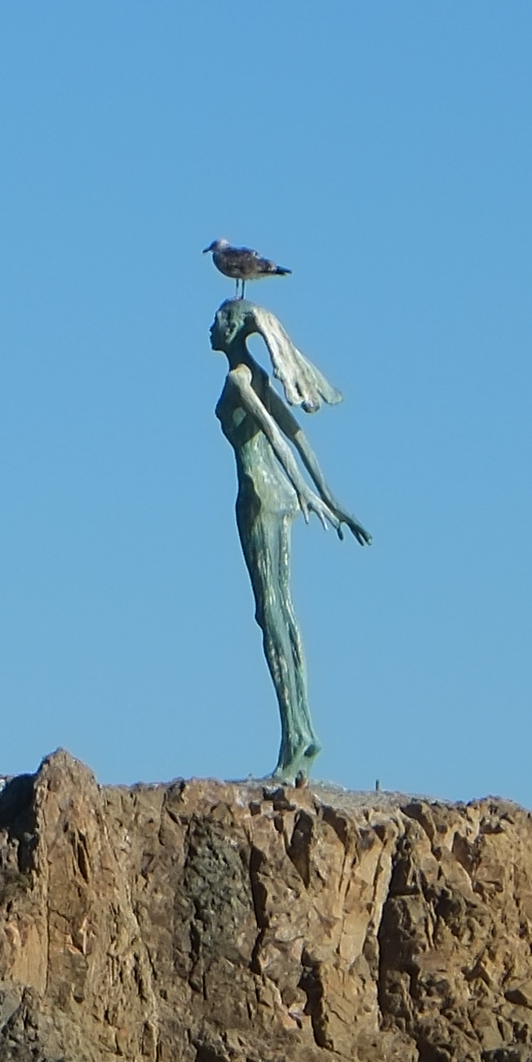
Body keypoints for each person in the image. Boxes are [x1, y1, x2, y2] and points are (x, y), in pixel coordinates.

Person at [212, 295, 366, 785]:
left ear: (235, 328)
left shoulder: (240, 380)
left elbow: (278, 438)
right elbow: (298, 436)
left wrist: (315, 495)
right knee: (284, 614)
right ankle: (301, 733)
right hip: (280, 499)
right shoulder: (256, 374)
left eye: (218, 319)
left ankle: (294, 739)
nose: (209, 328)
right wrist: (325, 495)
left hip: (259, 497)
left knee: (271, 616)